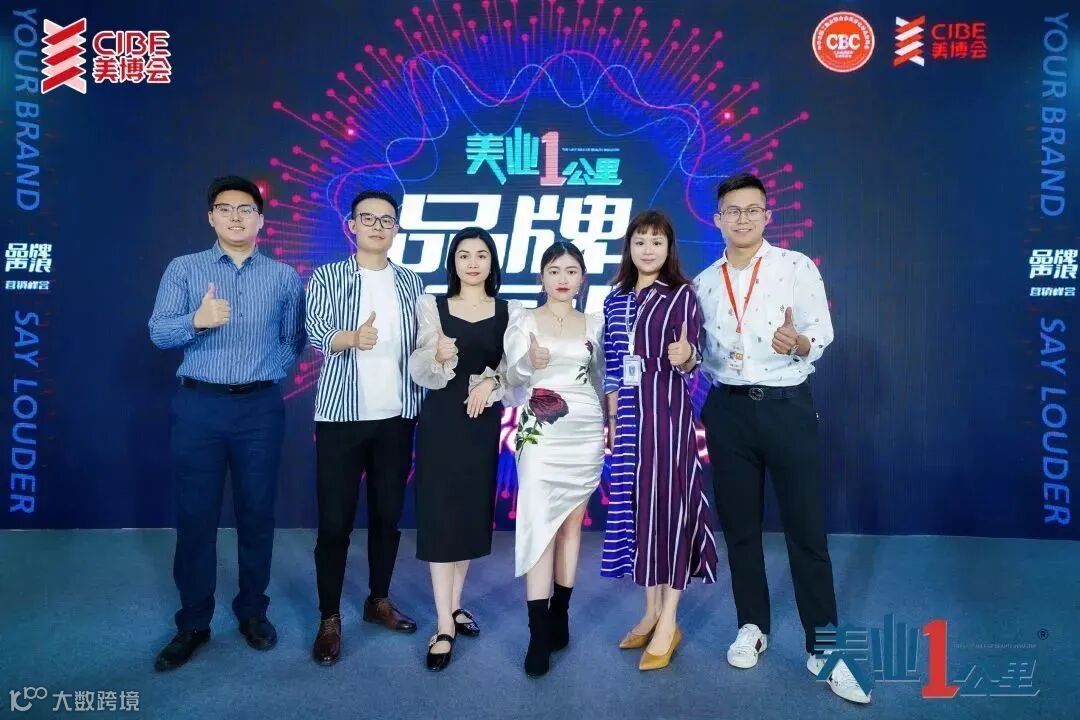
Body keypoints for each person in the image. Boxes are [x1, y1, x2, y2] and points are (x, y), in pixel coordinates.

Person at [695, 173, 869, 703]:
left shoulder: (796, 267)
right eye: (732, 210)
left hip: (786, 408)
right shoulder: (703, 282)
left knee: (806, 532)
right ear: (718, 219)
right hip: (727, 411)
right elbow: (700, 351)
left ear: (768, 216)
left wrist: (799, 343)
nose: (742, 218)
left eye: (752, 209)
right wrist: (686, 359)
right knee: (740, 529)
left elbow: (822, 332)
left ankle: (824, 648)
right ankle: (752, 625)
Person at [148, 175, 305, 671]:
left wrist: (267, 373)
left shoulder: (283, 277)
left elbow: (293, 339)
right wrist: (196, 320)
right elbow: (159, 332)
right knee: (196, 516)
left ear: (261, 220)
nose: (236, 217)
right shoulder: (184, 269)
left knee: (257, 513)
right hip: (200, 406)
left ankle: (252, 612)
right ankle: (193, 622)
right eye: (225, 208)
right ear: (211, 217)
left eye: (246, 209)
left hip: (259, 409)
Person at [305, 189, 424, 666]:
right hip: (341, 417)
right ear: (351, 225)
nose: (378, 226)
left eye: (386, 220)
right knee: (335, 523)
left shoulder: (412, 282)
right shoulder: (328, 276)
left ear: (397, 228)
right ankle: (329, 618)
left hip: (397, 417)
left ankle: (378, 600)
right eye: (368, 218)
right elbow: (316, 332)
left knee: (386, 517)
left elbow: (422, 343)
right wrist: (351, 337)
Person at [601, 209, 719, 670]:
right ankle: (650, 611)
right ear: (628, 248)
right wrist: (613, 419)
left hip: (667, 419)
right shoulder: (615, 299)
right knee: (641, 515)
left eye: (657, 241)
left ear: (669, 248)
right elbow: (614, 365)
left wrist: (687, 356)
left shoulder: (681, 295)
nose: (648, 249)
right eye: (640, 241)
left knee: (669, 515)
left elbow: (693, 361)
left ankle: (669, 620)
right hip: (629, 423)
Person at [408, 227, 509, 671]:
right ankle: (442, 624)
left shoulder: (508, 312)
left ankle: (454, 605)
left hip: (481, 424)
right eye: (464, 255)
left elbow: (514, 369)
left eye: (481, 254)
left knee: (468, 515)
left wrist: (491, 381)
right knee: (440, 516)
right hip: (442, 421)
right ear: (453, 262)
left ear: (491, 262)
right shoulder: (432, 306)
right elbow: (420, 369)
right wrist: (438, 355)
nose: (472, 262)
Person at [503, 241, 605, 677]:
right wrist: (529, 362)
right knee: (540, 527)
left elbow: (601, 379)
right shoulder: (522, 319)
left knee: (570, 528)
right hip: (540, 435)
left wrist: (610, 423)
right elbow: (509, 378)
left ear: (582, 278)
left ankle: (560, 614)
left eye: (571, 270)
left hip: (584, 431)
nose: (563, 278)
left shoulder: (595, 322)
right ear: (541, 277)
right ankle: (537, 632)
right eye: (554, 270)